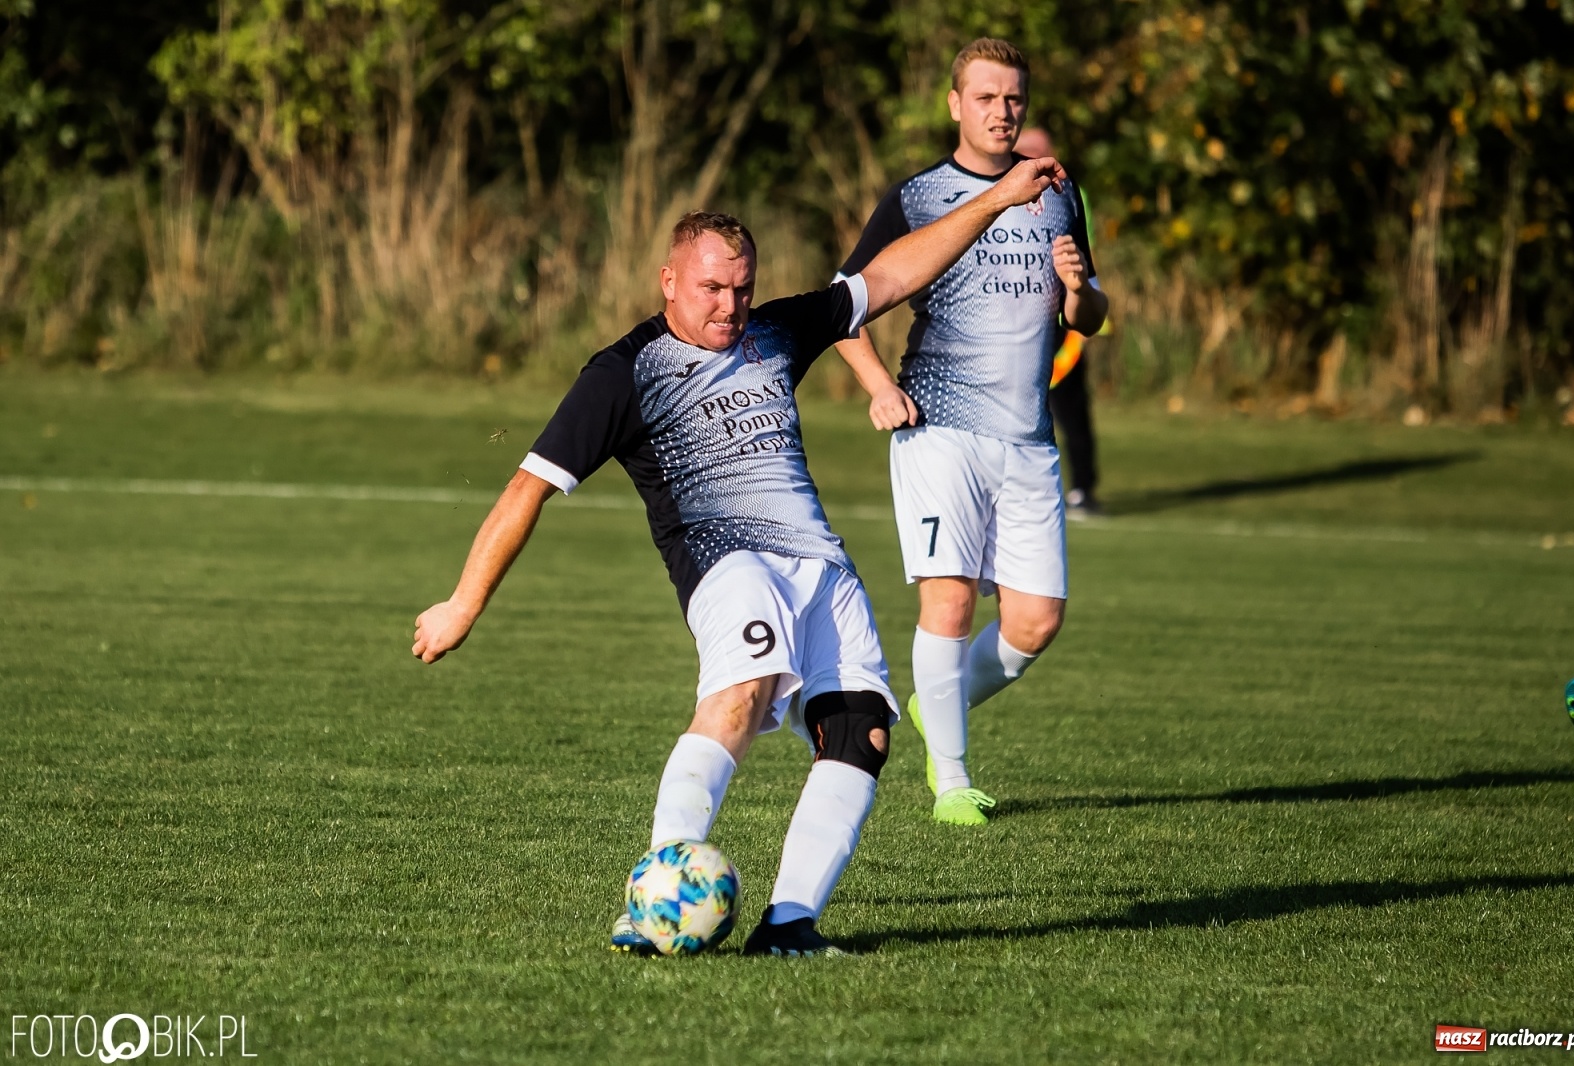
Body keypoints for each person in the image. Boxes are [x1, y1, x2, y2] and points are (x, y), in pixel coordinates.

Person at [412, 157, 1068, 956]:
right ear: (669, 281)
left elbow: (892, 276)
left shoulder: (776, 330)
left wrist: (999, 198)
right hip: (729, 565)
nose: (730, 307)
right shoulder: (625, 374)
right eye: (711, 290)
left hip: (822, 567)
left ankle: (790, 925)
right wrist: (461, 604)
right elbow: (526, 489)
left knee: (863, 732)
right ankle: (654, 897)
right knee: (741, 695)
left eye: (742, 289)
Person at [832, 38, 1109, 826]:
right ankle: (950, 782)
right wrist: (881, 387)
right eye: (985, 97)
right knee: (948, 607)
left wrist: (1078, 288)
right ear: (956, 105)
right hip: (940, 430)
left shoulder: (1058, 192)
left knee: (1035, 622)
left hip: (1026, 438)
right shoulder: (919, 197)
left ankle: (936, 704)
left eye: (1014, 98)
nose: (1002, 111)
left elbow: (1090, 316)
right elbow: (843, 304)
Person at [1016, 126, 1105, 520]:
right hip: (1017, 328)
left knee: (1073, 412)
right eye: (1026, 149)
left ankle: (1083, 488)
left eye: (1040, 149)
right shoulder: (1000, 192)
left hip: (1063, 325)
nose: (1033, 155)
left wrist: (1079, 289)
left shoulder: (1069, 193)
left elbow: (1085, 258)